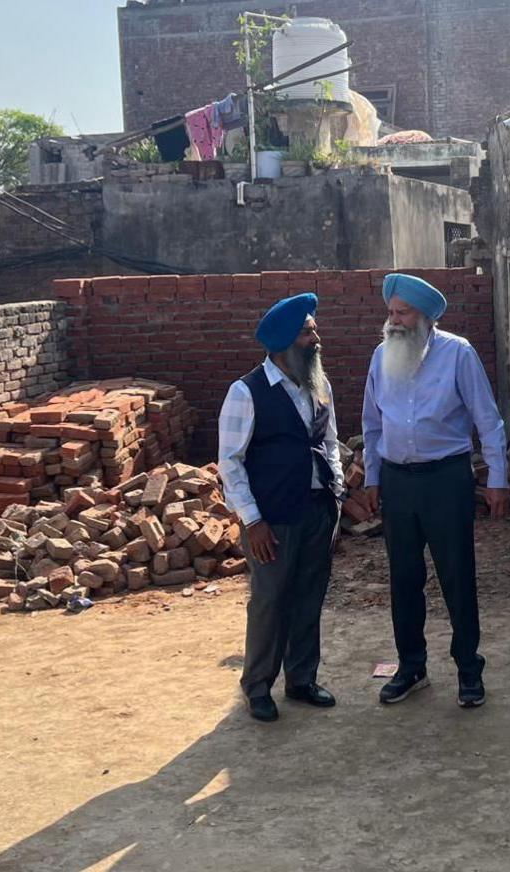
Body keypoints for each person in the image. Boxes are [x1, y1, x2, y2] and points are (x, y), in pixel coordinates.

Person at [361, 274, 508, 709]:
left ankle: (468, 669)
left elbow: (488, 419)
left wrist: (497, 478)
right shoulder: (380, 356)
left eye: (402, 313)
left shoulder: (458, 354)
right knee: (404, 578)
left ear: (425, 317)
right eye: (391, 312)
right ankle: (412, 667)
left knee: (456, 576)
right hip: (397, 481)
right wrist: (372, 476)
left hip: (446, 480)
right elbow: (371, 423)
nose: (394, 321)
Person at [217, 293, 345, 723]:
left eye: (313, 329)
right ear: (284, 342)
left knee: (309, 595)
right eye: (308, 332)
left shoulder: (318, 384)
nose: (316, 338)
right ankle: (257, 687)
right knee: (271, 601)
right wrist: (252, 521)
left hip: (317, 509)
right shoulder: (246, 391)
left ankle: (302, 680)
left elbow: (329, 443)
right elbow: (230, 462)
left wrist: (338, 492)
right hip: (271, 518)